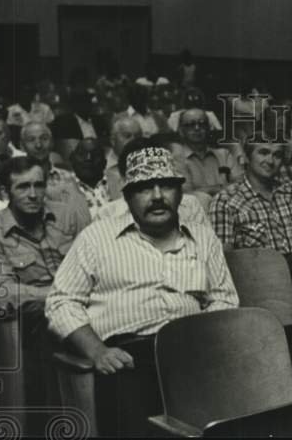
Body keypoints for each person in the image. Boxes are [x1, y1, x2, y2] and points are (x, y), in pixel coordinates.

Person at [45, 145, 238, 435]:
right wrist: (97, 351)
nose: (158, 197)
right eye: (145, 188)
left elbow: (224, 297)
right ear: (127, 196)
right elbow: (61, 302)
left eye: (167, 187)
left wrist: (202, 343)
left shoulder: (201, 236)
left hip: (192, 349)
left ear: (179, 193)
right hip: (129, 355)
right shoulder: (97, 237)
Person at [0, 157, 85, 421]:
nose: (33, 194)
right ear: (5, 192)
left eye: (39, 185)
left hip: (84, 300)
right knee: (50, 331)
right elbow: (3, 292)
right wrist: (60, 297)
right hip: (35, 315)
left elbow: (98, 260)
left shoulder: (67, 214)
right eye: (23, 187)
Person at [209, 139, 292, 255]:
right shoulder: (225, 201)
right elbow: (224, 258)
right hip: (255, 271)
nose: (270, 161)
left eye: (277, 155)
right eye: (263, 153)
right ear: (247, 158)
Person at [95, 137, 209, 225]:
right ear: (125, 181)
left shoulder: (190, 206)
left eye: (164, 183)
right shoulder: (107, 214)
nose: (157, 196)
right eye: (144, 186)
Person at [19, 122, 88, 216]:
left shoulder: (68, 177)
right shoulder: (16, 179)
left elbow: (80, 214)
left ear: (52, 143)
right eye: (31, 140)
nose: (38, 145)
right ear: (22, 146)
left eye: (44, 139)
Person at [177, 107, 243, 202]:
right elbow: (186, 195)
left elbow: (240, 184)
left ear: (208, 128)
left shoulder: (224, 154)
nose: (197, 128)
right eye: (191, 125)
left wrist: (206, 190)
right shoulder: (177, 159)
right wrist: (216, 189)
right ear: (181, 131)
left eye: (202, 124)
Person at [69, 138, 110, 219]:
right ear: (72, 159)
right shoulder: (61, 194)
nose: (88, 158)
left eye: (95, 154)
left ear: (104, 162)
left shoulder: (121, 183)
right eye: (81, 154)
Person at [104, 116, 143, 200]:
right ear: (113, 140)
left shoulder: (148, 162)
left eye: (137, 136)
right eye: (127, 136)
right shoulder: (102, 168)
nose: (133, 140)